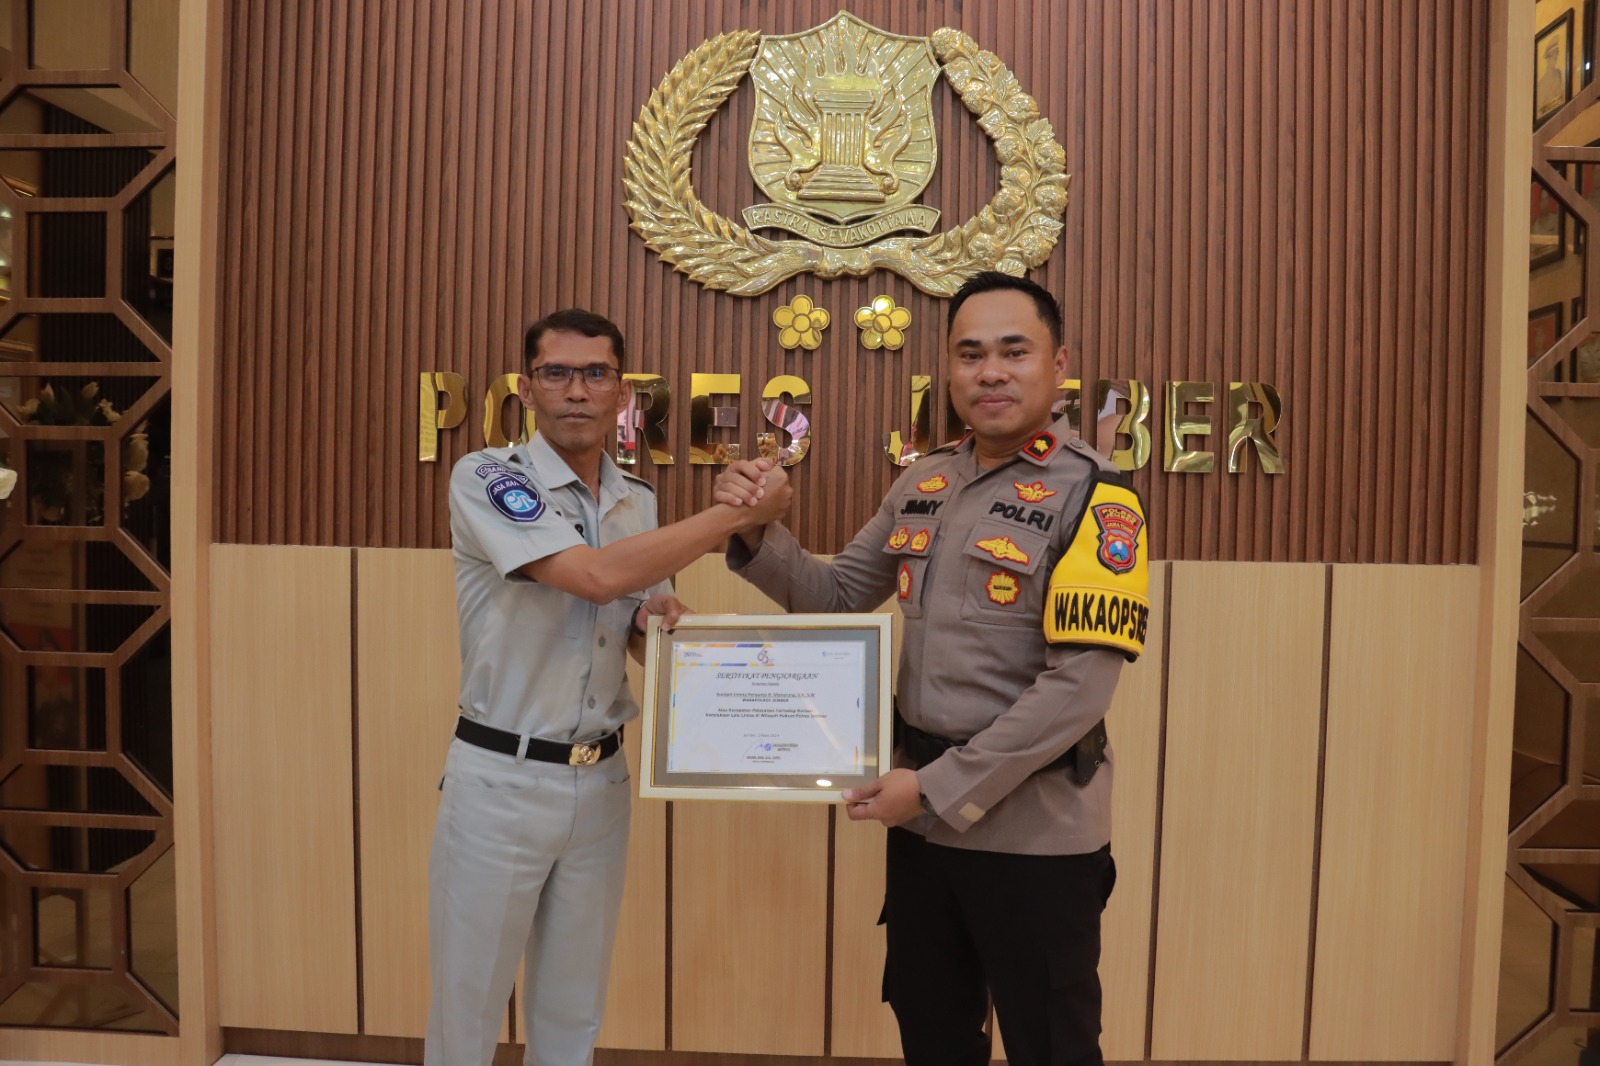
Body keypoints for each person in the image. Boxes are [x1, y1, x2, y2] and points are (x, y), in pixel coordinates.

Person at [714, 272, 1149, 1066]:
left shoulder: (1097, 496)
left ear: (1059, 366)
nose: (991, 371)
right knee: (934, 1035)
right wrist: (755, 528)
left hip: (1036, 842)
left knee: (1051, 1047)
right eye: (970, 353)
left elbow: (1078, 688)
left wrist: (938, 788)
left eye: (1014, 351)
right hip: (921, 831)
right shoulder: (926, 481)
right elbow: (840, 598)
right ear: (946, 372)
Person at [426, 308, 791, 1066]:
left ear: (620, 390)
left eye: (595, 374)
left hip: (600, 784)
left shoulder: (637, 502)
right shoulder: (490, 476)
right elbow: (593, 579)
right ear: (527, 388)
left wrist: (658, 624)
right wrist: (733, 514)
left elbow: (624, 621)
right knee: (469, 1011)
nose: (576, 391)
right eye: (556, 373)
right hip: (502, 781)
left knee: (572, 1008)